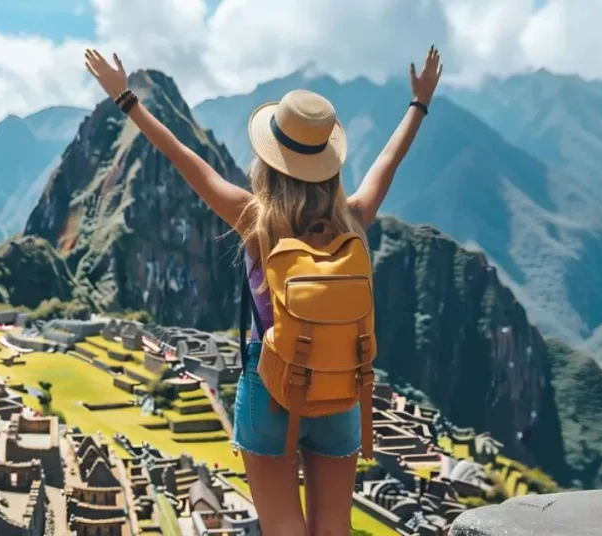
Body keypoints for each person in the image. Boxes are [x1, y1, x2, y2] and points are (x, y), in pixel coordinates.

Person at [84, 47, 443, 535]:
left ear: (271, 160)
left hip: (270, 382)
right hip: (340, 386)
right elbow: (388, 161)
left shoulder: (256, 220)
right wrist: (418, 104)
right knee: (333, 526)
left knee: (281, 527)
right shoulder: (353, 219)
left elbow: (185, 160)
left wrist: (126, 98)